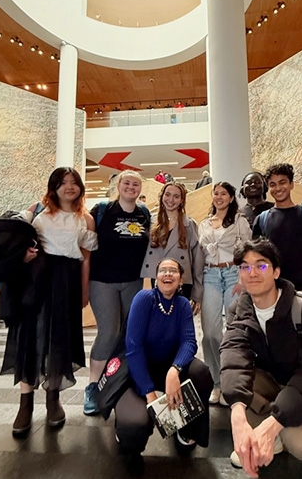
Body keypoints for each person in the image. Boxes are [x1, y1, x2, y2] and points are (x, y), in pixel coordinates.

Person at [221, 238, 302, 479]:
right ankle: (277, 427)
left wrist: (271, 425)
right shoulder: (239, 308)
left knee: (298, 443)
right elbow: (234, 356)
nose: (252, 273)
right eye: (245, 267)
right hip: (273, 379)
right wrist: (236, 415)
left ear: (276, 271)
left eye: (261, 266)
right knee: (237, 389)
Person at [0, 167, 97, 436]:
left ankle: (53, 399)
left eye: (74, 182)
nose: (69, 187)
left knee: (58, 338)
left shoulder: (86, 219)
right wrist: (25, 255)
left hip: (67, 281)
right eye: (63, 182)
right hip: (36, 279)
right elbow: (17, 242)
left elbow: (86, 257)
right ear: (53, 186)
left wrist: (84, 290)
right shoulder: (37, 211)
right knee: (29, 337)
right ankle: (25, 404)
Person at [114, 258, 213, 475]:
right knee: (136, 424)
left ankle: (185, 427)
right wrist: (150, 395)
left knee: (201, 373)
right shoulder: (144, 299)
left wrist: (174, 370)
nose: (167, 274)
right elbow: (133, 348)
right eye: (163, 270)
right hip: (140, 370)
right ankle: (125, 433)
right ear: (156, 277)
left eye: (173, 271)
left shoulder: (182, 305)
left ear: (180, 280)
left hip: (167, 368)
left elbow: (189, 341)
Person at [84, 170, 151, 416]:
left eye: (135, 184)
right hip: (103, 282)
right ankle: (92, 385)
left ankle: (118, 380)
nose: (131, 187)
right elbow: (86, 246)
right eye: (127, 183)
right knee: (109, 330)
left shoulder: (144, 214)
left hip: (132, 281)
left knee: (128, 332)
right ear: (118, 186)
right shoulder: (102, 210)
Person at [198, 182, 252, 405]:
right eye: (216, 194)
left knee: (235, 328)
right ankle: (216, 381)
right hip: (210, 274)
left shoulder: (240, 221)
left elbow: (249, 251)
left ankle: (233, 381)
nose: (219, 197)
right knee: (210, 332)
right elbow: (200, 254)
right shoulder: (203, 224)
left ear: (231, 198)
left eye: (224, 194)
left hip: (233, 274)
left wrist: (242, 279)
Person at [252, 164, 302, 301]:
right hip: (274, 291)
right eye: (272, 184)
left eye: (282, 182)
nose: (278, 188)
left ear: (291, 184)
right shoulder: (262, 220)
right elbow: (256, 259)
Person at [141, 182, 204, 309]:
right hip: (157, 279)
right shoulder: (150, 221)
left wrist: (197, 293)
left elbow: (197, 261)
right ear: (162, 196)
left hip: (182, 281)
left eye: (176, 196)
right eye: (168, 194)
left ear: (182, 200)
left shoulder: (189, 224)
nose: (171, 200)